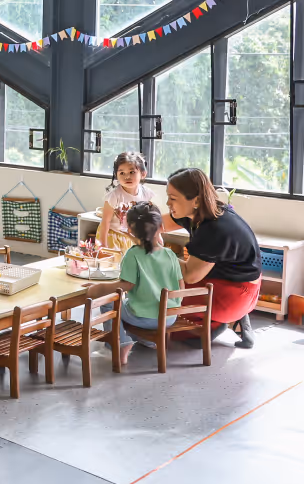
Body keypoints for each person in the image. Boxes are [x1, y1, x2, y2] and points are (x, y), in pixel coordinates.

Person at [162, 168, 262, 349]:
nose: (167, 202)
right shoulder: (205, 211)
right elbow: (158, 224)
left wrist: (158, 252)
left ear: (196, 200)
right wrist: (134, 222)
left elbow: (190, 275)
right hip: (243, 286)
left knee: (161, 291)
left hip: (235, 295)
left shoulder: (213, 229)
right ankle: (231, 321)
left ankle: (216, 324)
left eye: (173, 198)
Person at [95, 202, 183, 365]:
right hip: (170, 316)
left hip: (144, 317)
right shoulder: (170, 254)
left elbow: (126, 286)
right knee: (130, 305)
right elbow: (181, 286)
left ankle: (119, 343)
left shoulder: (133, 254)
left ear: (130, 230)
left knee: (109, 304)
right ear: (161, 227)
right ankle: (146, 339)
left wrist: (99, 289)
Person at [97, 152, 155, 255]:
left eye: (132, 172)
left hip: (133, 237)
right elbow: (105, 222)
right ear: (116, 175)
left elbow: (151, 219)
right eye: (122, 173)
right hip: (113, 237)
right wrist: (102, 245)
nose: (127, 177)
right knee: (114, 267)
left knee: (129, 266)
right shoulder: (114, 196)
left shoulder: (146, 194)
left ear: (143, 173)